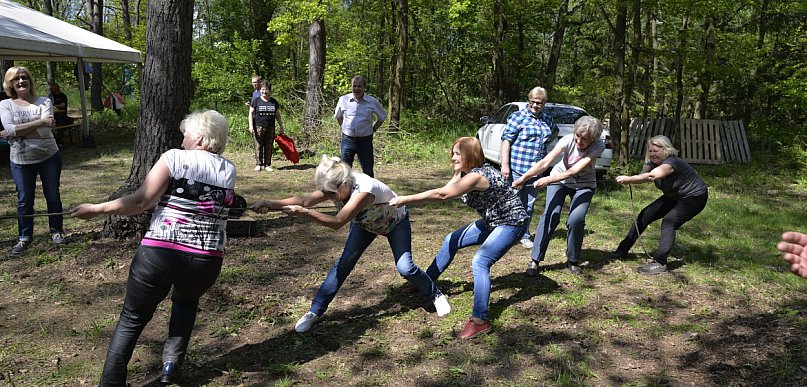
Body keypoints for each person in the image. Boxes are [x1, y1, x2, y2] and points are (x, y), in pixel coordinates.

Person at [70, 110, 237, 386]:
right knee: (186, 303)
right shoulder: (229, 169)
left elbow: (141, 202)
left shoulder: (174, 157)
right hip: (206, 259)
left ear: (198, 136)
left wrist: (97, 209)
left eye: (185, 133)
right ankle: (171, 367)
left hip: (161, 252)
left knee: (132, 318)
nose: (182, 138)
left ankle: (111, 382)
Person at [250, 155, 450, 333]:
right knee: (343, 265)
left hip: (394, 222)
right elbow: (304, 200)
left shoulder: (365, 189)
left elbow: (338, 222)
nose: (328, 196)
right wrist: (270, 203)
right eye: (325, 192)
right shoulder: (335, 185)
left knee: (405, 267)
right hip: (366, 225)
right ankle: (315, 311)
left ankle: (436, 294)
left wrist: (306, 214)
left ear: (344, 183)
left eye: (331, 194)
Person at [389, 137, 528, 339]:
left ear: (470, 155)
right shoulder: (465, 173)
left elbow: (443, 195)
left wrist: (405, 199)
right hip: (493, 221)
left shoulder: (477, 176)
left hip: (511, 222)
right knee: (451, 240)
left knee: (480, 262)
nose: (452, 158)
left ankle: (480, 320)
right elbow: (445, 190)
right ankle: (425, 282)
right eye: (452, 153)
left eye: (457, 154)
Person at [512, 116, 605, 276]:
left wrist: (548, 179)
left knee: (576, 219)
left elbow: (574, 170)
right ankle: (535, 259)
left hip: (584, 185)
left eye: (584, 139)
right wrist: (522, 179)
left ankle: (573, 260)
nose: (579, 141)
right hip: (560, 181)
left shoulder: (598, 146)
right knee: (550, 215)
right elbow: (544, 162)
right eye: (578, 136)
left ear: (593, 139)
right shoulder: (567, 140)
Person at [612, 135, 708, 275]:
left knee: (669, 222)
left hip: (694, 197)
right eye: (650, 151)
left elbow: (651, 176)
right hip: (674, 196)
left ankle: (660, 263)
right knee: (645, 215)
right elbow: (643, 176)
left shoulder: (671, 162)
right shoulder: (652, 163)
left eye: (656, 151)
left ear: (666, 150)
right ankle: (621, 251)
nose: (653, 154)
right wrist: (638, 172)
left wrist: (629, 179)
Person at [0, 66, 65, 255]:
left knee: (52, 196)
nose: (21, 81)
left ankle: (57, 231)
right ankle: (25, 238)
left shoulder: (44, 101)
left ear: (30, 80)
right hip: (20, 160)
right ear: (10, 84)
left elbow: (16, 131)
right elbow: (10, 129)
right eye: (16, 79)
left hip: (49, 157)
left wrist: (15, 131)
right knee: (24, 200)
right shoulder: (5, 104)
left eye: (24, 77)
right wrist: (40, 122)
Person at [500, 86, 559, 249]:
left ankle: (523, 234)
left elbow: (555, 132)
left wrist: (544, 144)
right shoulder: (517, 117)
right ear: (528, 100)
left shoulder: (547, 118)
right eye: (532, 102)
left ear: (544, 103)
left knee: (529, 204)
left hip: (536, 170)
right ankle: (504, 233)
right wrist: (505, 165)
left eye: (539, 103)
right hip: (516, 167)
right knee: (511, 201)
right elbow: (506, 140)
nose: (535, 105)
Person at [334, 75, 386, 178]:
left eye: (359, 86)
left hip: (365, 141)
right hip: (347, 140)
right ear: (351, 87)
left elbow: (382, 117)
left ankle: (369, 193)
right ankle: (344, 193)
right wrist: (344, 128)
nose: (357, 89)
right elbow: (338, 116)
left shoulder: (372, 101)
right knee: (344, 171)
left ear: (364, 87)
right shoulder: (343, 100)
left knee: (368, 172)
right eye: (354, 86)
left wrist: (374, 129)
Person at [248, 80, 285, 172]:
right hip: (258, 126)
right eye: (263, 89)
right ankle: (259, 164)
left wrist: (281, 126)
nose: (264, 92)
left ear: (269, 90)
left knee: (269, 146)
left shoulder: (274, 102)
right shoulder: (256, 101)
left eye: (266, 90)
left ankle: (267, 164)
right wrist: (251, 126)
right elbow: (250, 113)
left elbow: (277, 115)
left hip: (270, 127)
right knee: (258, 146)